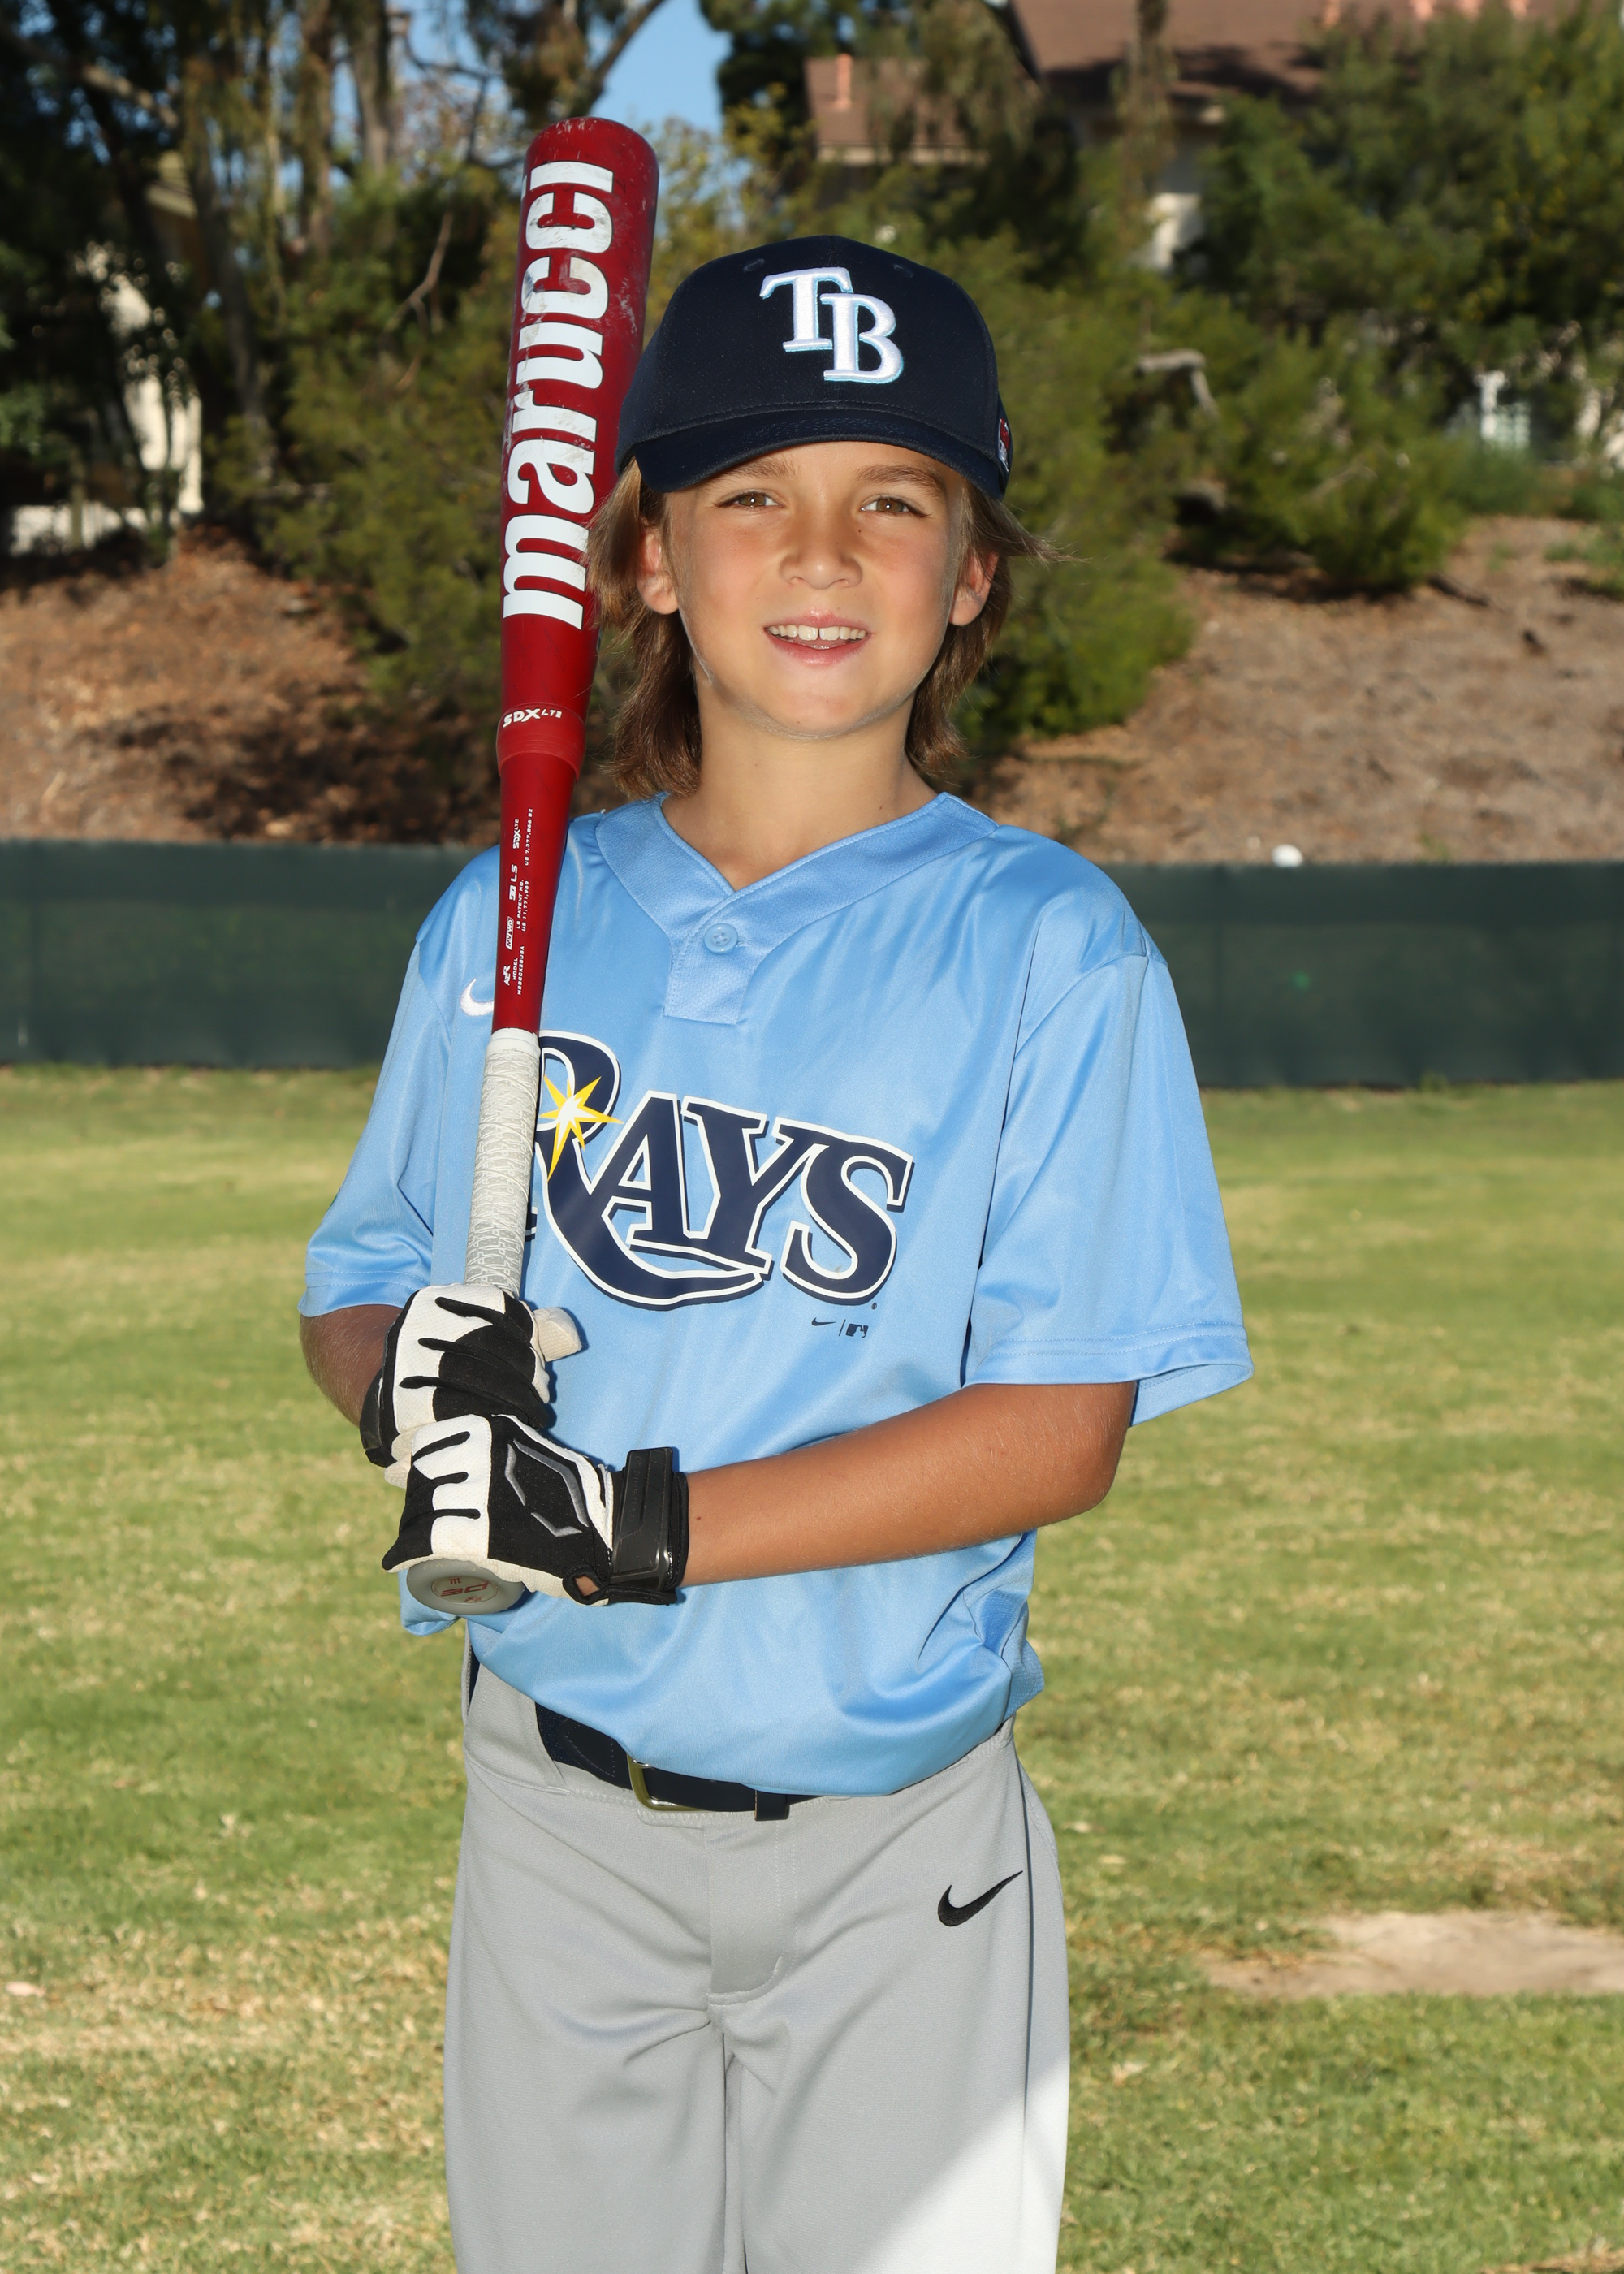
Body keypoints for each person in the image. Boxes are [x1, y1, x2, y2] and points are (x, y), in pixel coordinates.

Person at [299, 235, 1252, 2274]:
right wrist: (412, 1395)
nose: (820, 552)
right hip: (555, 1816)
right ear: (650, 555)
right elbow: (362, 1267)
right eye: (751, 494)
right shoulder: (513, 914)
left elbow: (1056, 1429)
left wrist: (631, 1521)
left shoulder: (1047, 945)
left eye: (891, 498)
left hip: (896, 1844)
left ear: (970, 573)